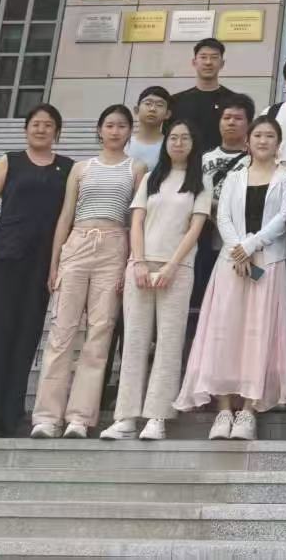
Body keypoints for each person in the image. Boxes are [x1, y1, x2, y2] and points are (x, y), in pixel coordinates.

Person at [176, 114, 286, 438]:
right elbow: (223, 217)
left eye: (269, 136)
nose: (263, 140)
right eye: (257, 135)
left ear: (278, 142)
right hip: (231, 264)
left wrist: (250, 246)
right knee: (225, 331)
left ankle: (248, 410)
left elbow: (284, 217)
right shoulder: (235, 176)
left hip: (269, 262)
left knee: (259, 332)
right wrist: (237, 249)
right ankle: (223, 409)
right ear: (248, 141)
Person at [30, 105, 143, 439]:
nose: (115, 131)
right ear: (99, 129)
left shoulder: (137, 168)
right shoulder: (81, 168)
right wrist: (55, 262)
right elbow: (66, 215)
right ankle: (47, 417)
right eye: (109, 125)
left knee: (100, 333)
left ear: (129, 132)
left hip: (114, 246)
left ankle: (80, 417)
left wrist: (129, 262)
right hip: (77, 244)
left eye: (121, 126)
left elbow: (136, 220)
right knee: (61, 332)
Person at [0, 105, 72, 437]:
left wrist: (58, 264)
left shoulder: (67, 168)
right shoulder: (10, 161)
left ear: (57, 132)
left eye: (48, 125)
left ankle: (11, 412)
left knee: (26, 335)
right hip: (4, 256)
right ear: (26, 129)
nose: (41, 129)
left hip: (40, 262)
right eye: (35, 124)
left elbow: (67, 217)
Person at [103, 118, 210, 440]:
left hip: (177, 269)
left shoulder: (200, 181)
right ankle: (125, 417)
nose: (178, 143)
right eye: (173, 137)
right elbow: (136, 221)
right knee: (134, 341)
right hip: (140, 265)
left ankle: (157, 416)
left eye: (185, 138)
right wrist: (137, 262)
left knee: (168, 342)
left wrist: (171, 266)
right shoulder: (152, 178)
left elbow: (195, 228)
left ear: (193, 144)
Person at [194, 95, 254, 320]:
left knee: (232, 300)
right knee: (201, 295)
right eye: (226, 117)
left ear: (249, 123)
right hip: (203, 237)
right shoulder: (202, 158)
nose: (231, 122)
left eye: (238, 118)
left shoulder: (253, 160)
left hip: (235, 240)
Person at [171, 38, 242, 153]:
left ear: (222, 64)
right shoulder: (176, 101)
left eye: (214, 57)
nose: (208, 62)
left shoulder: (235, 101)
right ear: (194, 62)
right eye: (203, 57)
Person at [126, 87, 171, 169]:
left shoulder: (170, 146)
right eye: (148, 103)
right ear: (136, 110)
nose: (152, 109)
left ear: (167, 114)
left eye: (159, 105)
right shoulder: (124, 144)